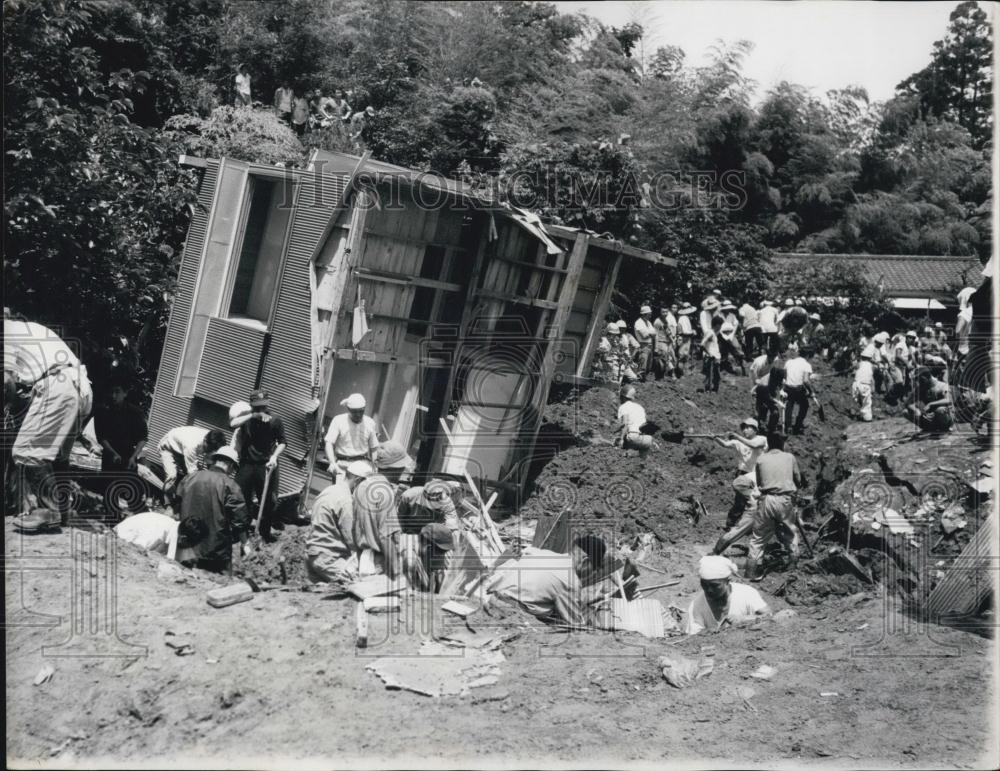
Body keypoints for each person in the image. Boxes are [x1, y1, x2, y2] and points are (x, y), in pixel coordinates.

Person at [5, 318, 94, 531]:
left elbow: (6, 381)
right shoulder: (24, 328)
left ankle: (48, 512)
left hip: (57, 385)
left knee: (26, 452)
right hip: (80, 387)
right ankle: (62, 512)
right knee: (56, 458)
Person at [484, 535, 613, 627]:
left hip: (491, 600)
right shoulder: (570, 580)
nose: (591, 572)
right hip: (512, 613)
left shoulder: (543, 553)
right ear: (585, 562)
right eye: (593, 568)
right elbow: (575, 623)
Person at [175, 447, 250, 574]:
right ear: (230, 465)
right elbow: (240, 521)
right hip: (216, 553)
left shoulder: (189, 478)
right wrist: (245, 543)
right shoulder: (230, 486)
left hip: (187, 548)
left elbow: (176, 506)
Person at [747, 432, 803, 581]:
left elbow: (759, 483)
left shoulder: (761, 459)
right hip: (785, 499)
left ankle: (751, 570)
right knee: (790, 531)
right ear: (782, 444)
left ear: (768, 445)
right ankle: (792, 565)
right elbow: (798, 479)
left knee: (759, 537)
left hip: (767, 499)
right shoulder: (789, 457)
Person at [305, 460, 373, 583]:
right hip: (329, 560)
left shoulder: (330, 490)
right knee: (361, 584)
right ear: (358, 481)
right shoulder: (346, 501)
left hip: (313, 553)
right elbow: (352, 540)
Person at [351, 441, 411, 579]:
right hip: (376, 562)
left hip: (359, 557)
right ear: (396, 467)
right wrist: (397, 572)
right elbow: (387, 536)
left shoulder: (362, 485)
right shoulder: (385, 493)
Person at [232, 389, 286, 541]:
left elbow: (282, 442)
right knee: (240, 497)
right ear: (252, 406)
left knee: (268, 500)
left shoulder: (275, 420)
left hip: (265, 464)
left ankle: (264, 534)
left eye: (263, 407)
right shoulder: (246, 417)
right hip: (247, 464)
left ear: (267, 405)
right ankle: (240, 531)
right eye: (257, 407)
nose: (261, 410)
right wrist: (252, 415)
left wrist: (275, 456)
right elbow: (232, 423)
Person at [684, 555, 770, 635]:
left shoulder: (747, 593)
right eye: (704, 584)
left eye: (715, 586)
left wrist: (744, 619)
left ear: (728, 581)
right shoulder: (697, 605)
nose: (709, 590)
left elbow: (769, 616)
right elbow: (693, 637)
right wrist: (707, 632)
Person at [714, 418, 767, 528]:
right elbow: (725, 444)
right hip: (743, 474)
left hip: (758, 475)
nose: (745, 430)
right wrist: (715, 438)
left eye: (748, 428)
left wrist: (737, 436)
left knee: (759, 500)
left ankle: (756, 524)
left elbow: (753, 445)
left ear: (755, 430)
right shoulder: (738, 442)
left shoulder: (762, 439)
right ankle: (731, 523)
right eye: (744, 428)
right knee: (740, 501)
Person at [157, 425, 228, 502]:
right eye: (209, 449)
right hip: (168, 447)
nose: (209, 451)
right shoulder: (192, 445)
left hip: (182, 449)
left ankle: (183, 498)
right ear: (204, 440)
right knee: (172, 476)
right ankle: (169, 503)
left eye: (212, 450)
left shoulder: (212, 440)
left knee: (199, 474)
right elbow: (192, 473)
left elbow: (209, 461)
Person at [94, 382, 147, 475]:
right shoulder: (102, 412)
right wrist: (113, 454)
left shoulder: (135, 412)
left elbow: (142, 438)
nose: (113, 396)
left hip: (129, 456)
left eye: (117, 392)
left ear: (125, 393)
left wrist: (134, 457)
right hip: (109, 456)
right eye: (111, 392)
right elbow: (101, 437)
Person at [323, 392, 379, 479]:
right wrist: (332, 463)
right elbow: (329, 442)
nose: (358, 415)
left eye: (361, 411)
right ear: (348, 409)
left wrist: (375, 465)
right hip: (342, 464)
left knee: (358, 491)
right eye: (354, 412)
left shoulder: (370, 423)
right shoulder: (338, 420)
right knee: (340, 491)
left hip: (362, 464)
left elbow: (374, 447)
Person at [114, 510, 179, 559]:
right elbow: (141, 552)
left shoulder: (169, 524)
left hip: (126, 534)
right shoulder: (158, 531)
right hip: (121, 536)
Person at [908, 367, 954, 433]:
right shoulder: (921, 387)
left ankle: (945, 429)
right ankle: (928, 428)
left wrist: (930, 404)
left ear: (927, 377)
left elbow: (948, 400)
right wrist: (917, 410)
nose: (919, 381)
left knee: (940, 410)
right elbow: (908, 403)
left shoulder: (942, 385)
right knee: (906, 412)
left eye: (921, 379)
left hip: (944, 416)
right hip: (930, 417)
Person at [750, 350, 784, 433]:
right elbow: (769, 397)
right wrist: (779, 403)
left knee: (775, 413)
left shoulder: (776, 375)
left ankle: (771, 429)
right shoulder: (764, 382)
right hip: (761, 392)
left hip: (769, 392)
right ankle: (759, 427)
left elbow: (781, 384)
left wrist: (783, 391)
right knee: (762, 410)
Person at [782, 343, 812, 435]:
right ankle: (798, 424)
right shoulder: (806, 364)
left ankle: (788, 427)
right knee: (805, 405)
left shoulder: (788, 362)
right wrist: (811, 391)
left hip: (787, 387)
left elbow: (785, 377)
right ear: (807, 356)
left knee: (789, 406)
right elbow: (806, 381)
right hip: (798, 389)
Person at [615, 386, 648, 451]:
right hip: (645, 439)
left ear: (623, 397)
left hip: (632, 438)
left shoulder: (623, 407)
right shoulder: (640, 407)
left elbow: (625, 423)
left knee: (617, 442)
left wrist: (621, 439)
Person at [718, 302, 745, 376]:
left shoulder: (732, 315)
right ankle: (722, 367)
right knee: (722, 350)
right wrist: (723, 335)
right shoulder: (719, 316)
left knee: (737, 347)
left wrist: (732, 335)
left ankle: (741, 366)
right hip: (721, 334)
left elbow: (735, 325)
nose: (728, 310)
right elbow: (717, 327)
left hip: (731, 333)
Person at [653, 305, 677, 379]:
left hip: (667, 341)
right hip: (661, 342)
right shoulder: (657, 321)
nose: (665, 313)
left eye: (666, 312)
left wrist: (673, 341)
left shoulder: (666, 320)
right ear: (660, 312)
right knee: (665, 358)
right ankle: (670, 374)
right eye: (663, 312)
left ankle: (665, 374)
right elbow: (656, 334)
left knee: (671, 358)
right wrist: (656, 347)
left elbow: (668, 332)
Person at [633, 305, 656, 380]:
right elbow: (644, 335)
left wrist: (650, 333)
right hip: (643, 344)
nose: (650, 315)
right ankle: (639, 379)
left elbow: (654, 333)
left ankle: (643, 379)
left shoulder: (648, 323)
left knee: (648, 365)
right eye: (649, 314)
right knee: (642, 363)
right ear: (645, 314)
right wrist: (650, 333)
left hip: (649, 345)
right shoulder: (638, 323)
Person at [701, 316, 723, 393]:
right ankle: (709, 388)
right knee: (711, 373)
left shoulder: (713, 333)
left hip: (715, 355)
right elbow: (703, 343)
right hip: (712, 356)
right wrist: (708, 353)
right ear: (717, 325)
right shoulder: (710, 332)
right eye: (720, 325)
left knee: (714, 373)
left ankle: (713, 389)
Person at [853, 347, 876, 422]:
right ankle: (867, 418)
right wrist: (873, 387)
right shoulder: (872, 366)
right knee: (867, 402)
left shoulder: (859, 364)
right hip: (865, 385)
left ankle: (855, 413)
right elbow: (871, 377)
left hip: (856, 384)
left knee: (856, 400)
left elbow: (854, 369)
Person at [676, 302, 696, 375]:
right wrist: (692, 332)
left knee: (685, 354)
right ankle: (680, 372)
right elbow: (685, 331)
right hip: (684, 338)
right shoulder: (683, 318)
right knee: (682, 355)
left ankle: (683, 371)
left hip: (686, 337)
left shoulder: (685, 317)